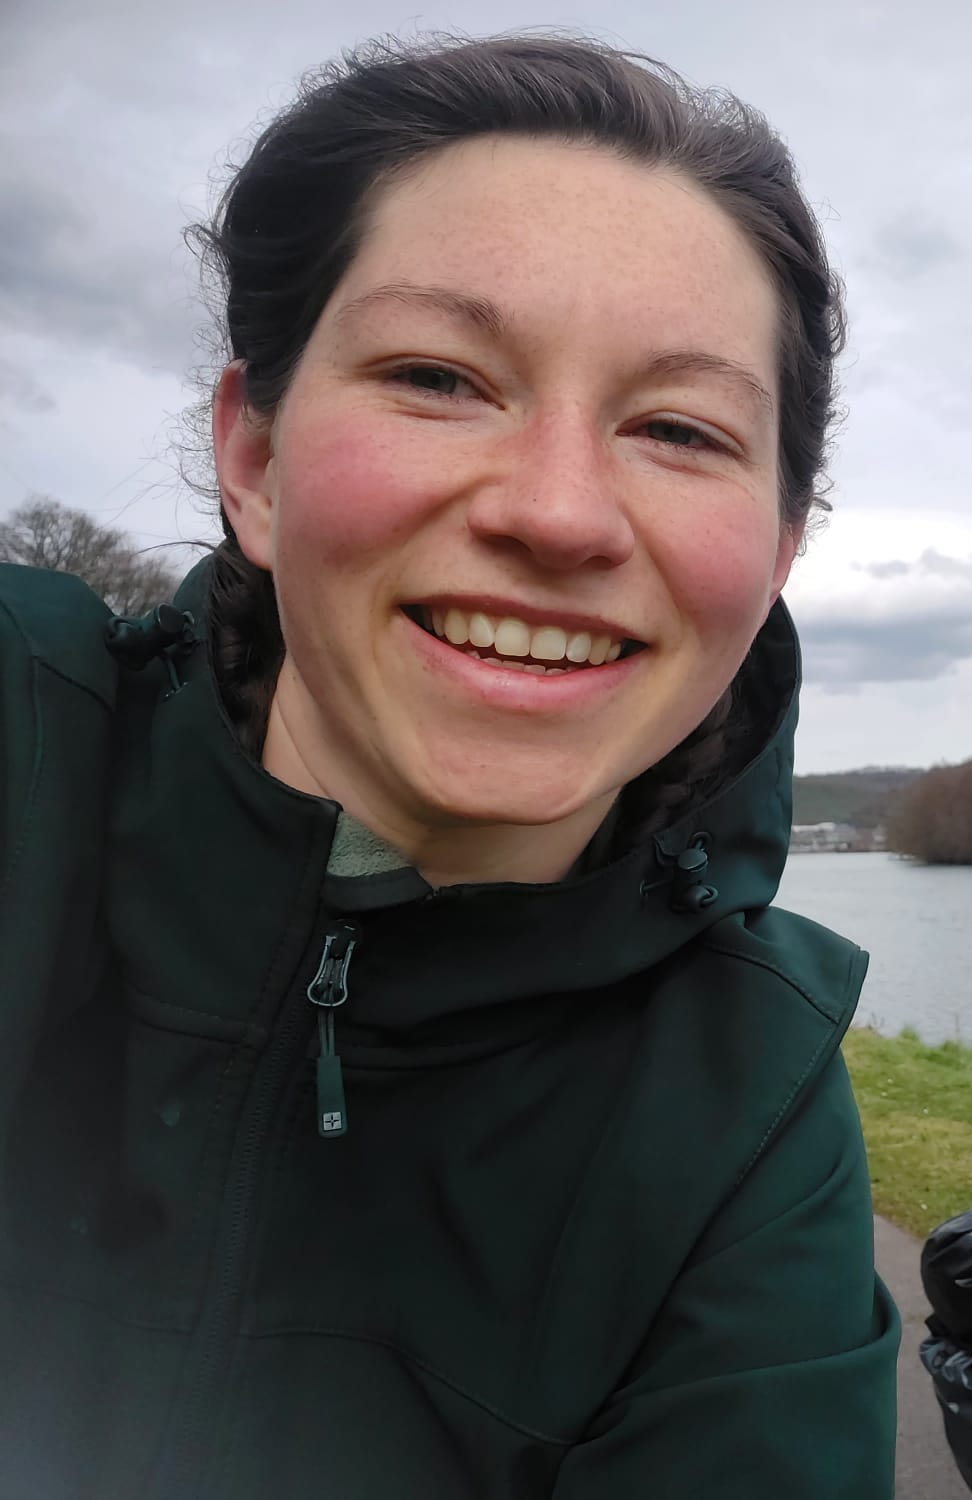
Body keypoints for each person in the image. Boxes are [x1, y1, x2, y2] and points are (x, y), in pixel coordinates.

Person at [0, 35, 895, 1498]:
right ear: (255, 462)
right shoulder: (26, 749)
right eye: (438, 376)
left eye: (679, 429)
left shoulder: (745, 1103)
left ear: (778, 556)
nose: (559, 513)